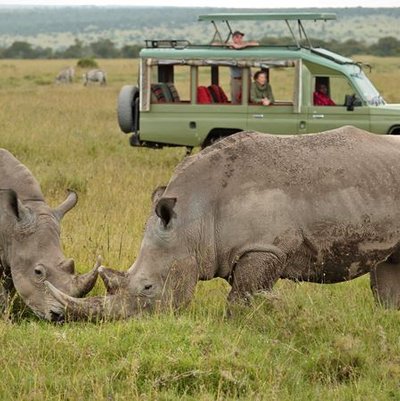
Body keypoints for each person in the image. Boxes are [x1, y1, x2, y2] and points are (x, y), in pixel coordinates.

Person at [229, 31, 259, 104]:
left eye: (241, 37)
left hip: (246, 78)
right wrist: (245, 45)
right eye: (237, 37)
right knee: (236, 97)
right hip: (236, 79)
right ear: (233, 38)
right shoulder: (230, 47)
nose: (240, 39)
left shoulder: (244, 48)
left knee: (248, 96)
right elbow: (236, 46)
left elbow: (257, 44)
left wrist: (245, 45)